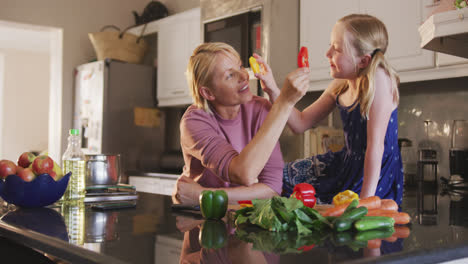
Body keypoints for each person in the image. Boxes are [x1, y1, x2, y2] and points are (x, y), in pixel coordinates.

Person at [259, 14, 403, 204]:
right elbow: (300, 123)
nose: (327, 54)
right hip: (345, 164)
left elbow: (375, 147)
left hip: (375, 175)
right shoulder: (341, 83)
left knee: (333, 212)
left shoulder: (379, 79)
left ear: (363, 61)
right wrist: (272, 88)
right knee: (278, 178)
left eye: (336, 49)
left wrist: (366, 202)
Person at [172, 42, 309, 205]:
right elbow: (243, 173)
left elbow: (271, 189)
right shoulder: (194, 121)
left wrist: (203, 195)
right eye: (230, 75)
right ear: (208, 93)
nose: (244, 76)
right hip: (200, 216)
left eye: (241, 66)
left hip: (232, 214)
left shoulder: (261, 109)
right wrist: (284, 102)